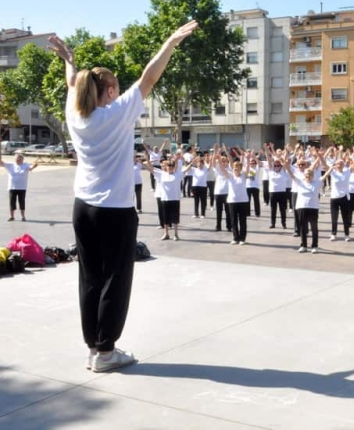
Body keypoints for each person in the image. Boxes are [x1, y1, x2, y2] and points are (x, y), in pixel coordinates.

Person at [49, 20, 197, 372]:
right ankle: (106, 352)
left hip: (82, 207)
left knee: (90, 276)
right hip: (114, 209)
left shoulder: (75, 113)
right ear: (111, 90)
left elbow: (72, 82)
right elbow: (149, 76)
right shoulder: (117, 112)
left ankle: (92, 347)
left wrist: (69, 58)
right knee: (116, 276)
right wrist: (170, 42)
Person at [218, 152, 251, 245]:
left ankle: (242, 238)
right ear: (233, 168)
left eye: (238, 167)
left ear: (240, 169)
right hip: (232, 201)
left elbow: (248, 167)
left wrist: (248, 159)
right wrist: (219, 159)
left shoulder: (244, 175)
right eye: (235, 167)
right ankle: (235, 237)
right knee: (234, 220)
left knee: (242, 220)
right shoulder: (230, 176)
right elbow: (221, 168)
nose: (236, 169)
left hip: (243, 201)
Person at [0, 150, 38, 221]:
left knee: (22, 202)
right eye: (17, 159)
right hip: (12, 187)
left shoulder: (25, 165)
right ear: (14, 159)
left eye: (20, 159)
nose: (18, 160)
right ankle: (12, 217)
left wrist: (34, 165)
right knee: (12, 202)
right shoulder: (10, 165)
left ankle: (23, 216)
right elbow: (1, 163)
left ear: (22, 160)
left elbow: (31, 168)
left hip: (22, 187)